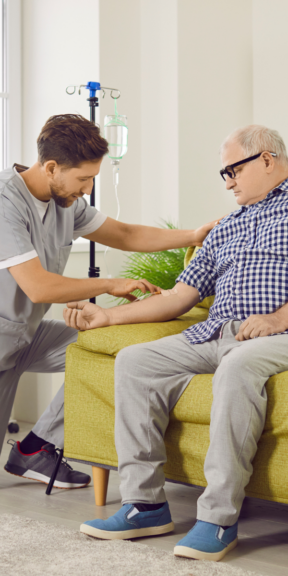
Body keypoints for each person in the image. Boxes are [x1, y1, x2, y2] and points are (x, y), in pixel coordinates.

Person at [65, 125, 288, 561]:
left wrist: (279, 317)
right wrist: (107, 315)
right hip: (216, 333)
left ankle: (218, 519)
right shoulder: (225, 228)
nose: (227, 182)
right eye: (222, 174)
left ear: (266, 159)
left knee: (239, 367)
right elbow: (179, 297)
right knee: (134, 361)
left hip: (278, 334)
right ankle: (145, 505)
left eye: (233, 170)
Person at [1, 113, 219, 490]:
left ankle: (37, 448)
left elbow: (125, 233)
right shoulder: (6, 202)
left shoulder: (64, 201)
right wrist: (112, 284)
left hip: (26, 335)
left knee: (112, 353)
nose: (86, 189)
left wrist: (193, 235)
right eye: (83, 179)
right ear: (51, 167)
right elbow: (37, 287)